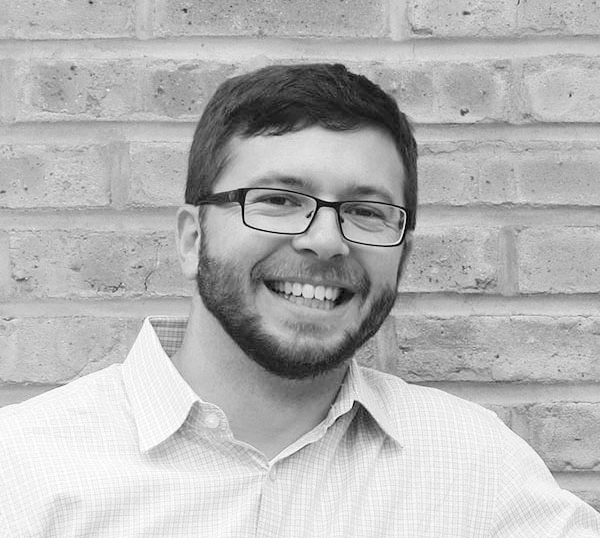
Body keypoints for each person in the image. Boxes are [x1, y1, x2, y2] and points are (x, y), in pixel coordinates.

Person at [0, 63, 598, 538]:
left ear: (403, 256)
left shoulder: (477, 469)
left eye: (366, 212)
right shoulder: (23, 470)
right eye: (279, 201)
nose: (326, 241)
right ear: (192, 239)